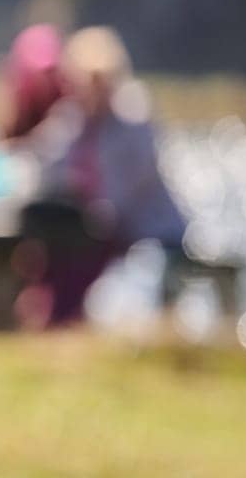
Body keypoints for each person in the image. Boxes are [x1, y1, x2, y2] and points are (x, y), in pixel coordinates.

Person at [19, 25, 186, 326]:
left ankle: (68, 320)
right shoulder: (74, 118)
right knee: (54, 245)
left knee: (79, 249)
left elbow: (125, 195)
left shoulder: (134, 121)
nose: (90, 91)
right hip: (100, 233)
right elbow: (44, 160)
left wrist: (86, 204)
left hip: (150, 233)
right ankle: (58, 319)